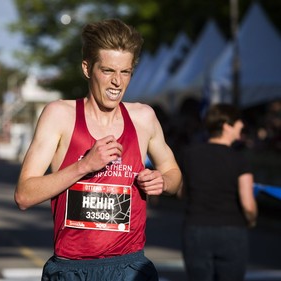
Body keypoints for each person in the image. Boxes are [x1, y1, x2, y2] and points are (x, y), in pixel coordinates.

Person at [14, 18, 182, 281]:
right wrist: (84, 165)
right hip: (73, 269)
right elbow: (24, 195)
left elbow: (175, 175)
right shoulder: (60, 115)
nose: (117, 82)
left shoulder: (143, 118)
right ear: (87, 68)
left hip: (130, 267)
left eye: (125, 72)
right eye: (107, 71)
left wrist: (162, 180)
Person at [178, 103, 258, 281]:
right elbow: (248, 203)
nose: (241, 125)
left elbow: (181, 191)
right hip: (231, 229)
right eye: (237, 122)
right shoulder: (240, 159)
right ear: (226, 125)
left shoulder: (189, 153)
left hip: (196, 227)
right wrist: (251, 219)